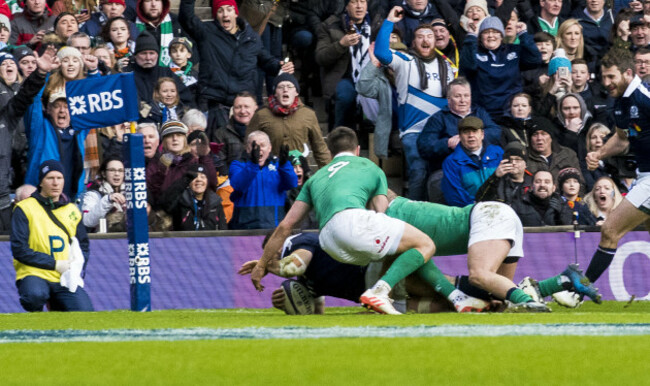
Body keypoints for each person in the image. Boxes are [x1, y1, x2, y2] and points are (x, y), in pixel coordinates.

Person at [250, 126, 494, 315]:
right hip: (354, 226)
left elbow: (285, 225)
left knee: (404, 266)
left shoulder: (317, 177)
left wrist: (262, 265)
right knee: (424, 244)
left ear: (331, 153)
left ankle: (452, 300)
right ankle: (383, 290)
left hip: (329, 239)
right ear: (357, 150)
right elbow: (381, 212)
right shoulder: (369, 166)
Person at [374, 8, 454, 200]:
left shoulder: (447, 66)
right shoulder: (405, 61)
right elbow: (381, 52)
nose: (425, 40)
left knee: (448, 171)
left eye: (430, 36)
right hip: (413, 132)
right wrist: (389, 21)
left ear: (435, 41)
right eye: (420, 37)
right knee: (419, 170)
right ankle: (415, 213)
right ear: (413, 42)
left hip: (439, 131)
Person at [178, 0, 293, 112]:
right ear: (215, 15)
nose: (225, 14)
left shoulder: (251, 37)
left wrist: (281, 67)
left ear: (236, 13)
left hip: (243, 103)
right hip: (212, 101)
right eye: (220, 11)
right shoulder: (206, 32)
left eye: (229, 9)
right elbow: (186, 17)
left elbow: (266, 61)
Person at [10, 159, 94, 312]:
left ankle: (56, 306)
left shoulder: (72, 210)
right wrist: (54, 264)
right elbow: (19, 249)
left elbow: (83, 244)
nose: (55, 183)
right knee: (34, 296)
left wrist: (76, 267)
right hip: (34, 272)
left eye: (59, 178)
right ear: (41, 182)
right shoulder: (24, 208)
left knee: (85, 311)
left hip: (64, 275)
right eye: (50, 178)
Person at [460, 16, 542, 121]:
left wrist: (523, 34)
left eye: (495, 32)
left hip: (512, 113)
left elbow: (535, 60)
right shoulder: (474, 52)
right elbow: (467, 66)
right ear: (480, 37)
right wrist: (471, 36)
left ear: (502, 35)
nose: (491, 35)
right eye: (486, 32)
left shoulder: (513, 50)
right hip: (484, 113)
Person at [315, 0, 378, 129]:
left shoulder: (377, 24)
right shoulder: (330, 25)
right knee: (346, 96)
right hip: (343, 76)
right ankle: (343, 139)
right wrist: (341, 44)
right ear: (346, 6)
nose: (359, 6)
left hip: (373, 75)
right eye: (354, 2)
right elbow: (321, 57)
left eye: (362, 1)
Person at [247, 73, 331, 168]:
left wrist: (328, 173)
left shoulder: (308, 114)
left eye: (289, 87)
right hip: (270, 172)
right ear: (275, 92)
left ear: (296, 92)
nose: (285, 90)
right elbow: (248, 146)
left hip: (298, 172)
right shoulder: (261, 114)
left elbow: (319, 148)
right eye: (281, 87)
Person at [417, 77, 502, 173]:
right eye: (457, 96)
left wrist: (474, 137)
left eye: (466, 96)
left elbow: (496, 132)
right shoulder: (438, 118)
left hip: (481, 164)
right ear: (448, 99)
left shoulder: (480, 113)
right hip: (449, 168)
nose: (463, 100)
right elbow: (424, 147)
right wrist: (447, 143)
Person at [229, 131, 297, 230]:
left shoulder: (278, 165)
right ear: (247, 148)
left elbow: (291, 183)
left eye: (262, 145)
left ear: (270, 148)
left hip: (274, 226)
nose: (259, 149)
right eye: (254, 146)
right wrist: (253, 163)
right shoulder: (238, 165)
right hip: (244, 227)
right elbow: (239, 185)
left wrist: (284, 165)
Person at [440, 117, 503, 207]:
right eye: (466, 132)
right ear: (460, 136)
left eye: (475, 131)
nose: (471, 135)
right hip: (470, 211)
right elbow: (454, 196)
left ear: (482, 134)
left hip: (501, 207)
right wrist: (476, 208)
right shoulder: (451, 163)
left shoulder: (498, 153)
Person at [160, 163, 227, 230]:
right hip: (184, 240)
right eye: (194, 177)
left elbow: (223, 229)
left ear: (207, 181)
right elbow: (165, 205)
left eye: (203, 177)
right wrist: (182, 183)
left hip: (211, 240)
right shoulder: (180, 200)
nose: (199, 180)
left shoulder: (215, 202)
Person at [210, 91, 256, 173]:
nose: (242, 111)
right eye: (238, 107)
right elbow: (219, 162)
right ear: (233, 109)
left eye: (247, 107)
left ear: (255, 108)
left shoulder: (263, 132)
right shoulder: (221, 133)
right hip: (230, 181)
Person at [525, 116, 581, 180]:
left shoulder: (568, 154)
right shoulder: (524, 157)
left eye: (543, 134)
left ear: (551, 138)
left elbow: (580, 182)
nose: (539, 138)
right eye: (535, 134)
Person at [81, 157, 127, 232]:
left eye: (120, 171)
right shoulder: (94, 193)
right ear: (103, 173)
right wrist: (107, 200)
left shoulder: (130, 192)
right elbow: (87, 221)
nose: (117, 174)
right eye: (112, 170)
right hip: (103, 240)